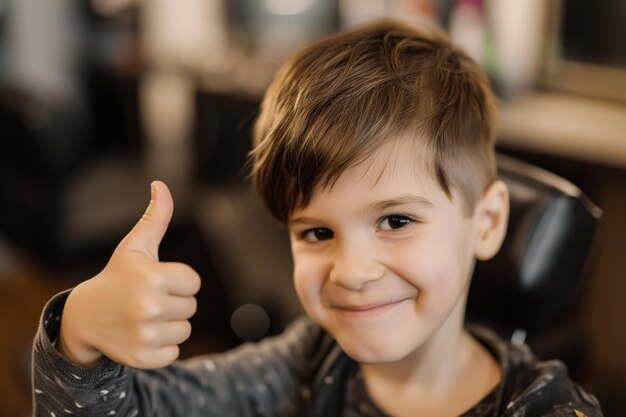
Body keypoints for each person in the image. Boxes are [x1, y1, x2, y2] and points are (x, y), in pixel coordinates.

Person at [32, 20, 603, 417]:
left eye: (396, 221)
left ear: (486, 221)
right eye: (318, 232)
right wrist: (80, 333)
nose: (351, 271)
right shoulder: (305, 364)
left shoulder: (545, 408)